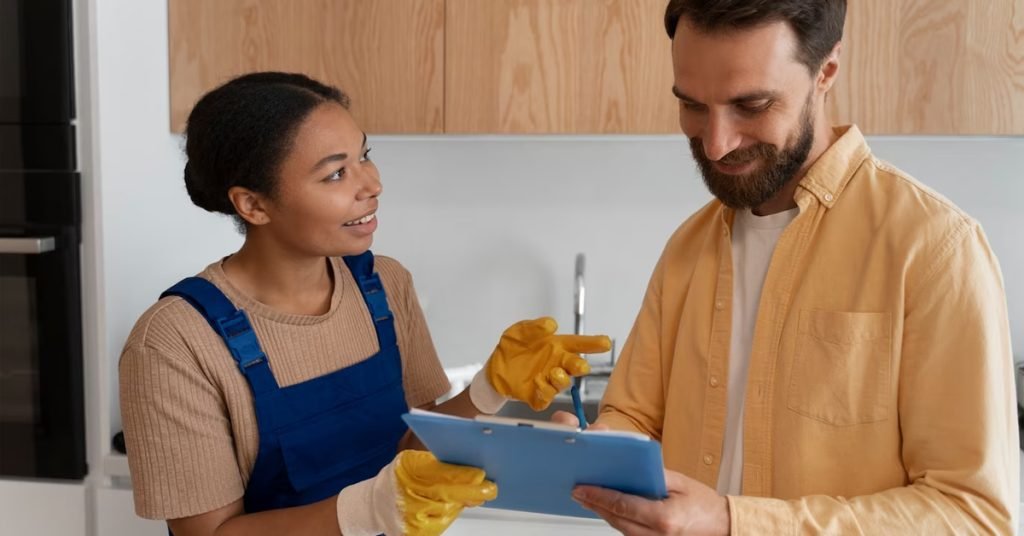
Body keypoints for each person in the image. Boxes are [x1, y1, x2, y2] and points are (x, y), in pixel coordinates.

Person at [567, 1, 1020, 534]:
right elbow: (636, 418)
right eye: (692, 105)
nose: (716, 143)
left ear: (825, 72)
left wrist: (735, 522)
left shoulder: (936, 250)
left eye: (751, 105)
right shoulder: (688, 249)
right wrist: (589, 450)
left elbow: (973, 514)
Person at [119, 72, 610, 536]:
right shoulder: (175, 341)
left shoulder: (383, 285)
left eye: (364, 155)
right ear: (254, 205)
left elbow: (413, 453)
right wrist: (369, 509)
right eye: (335, 174)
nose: (371, 184)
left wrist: (489, 389)